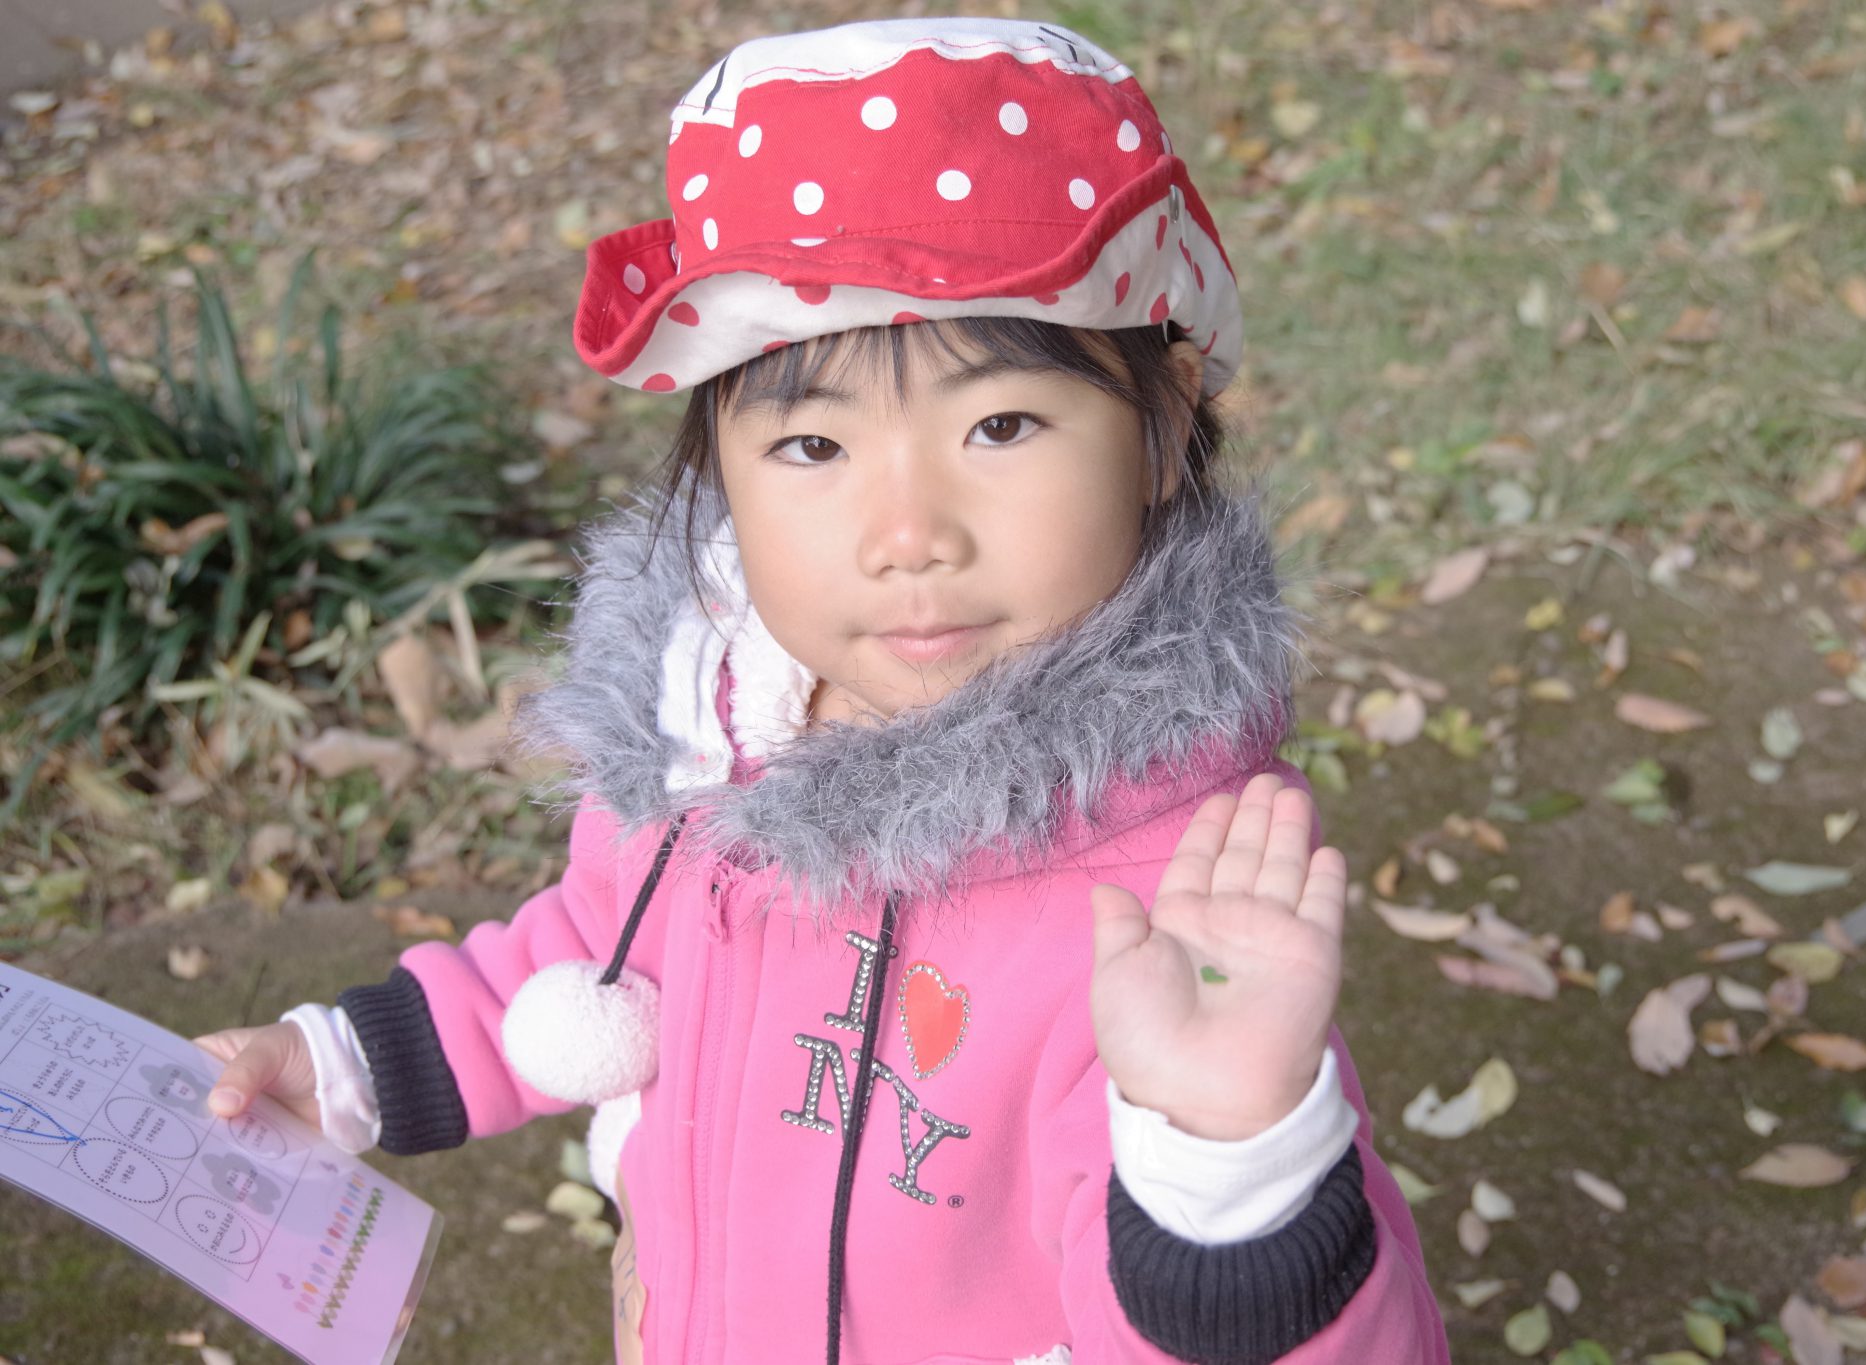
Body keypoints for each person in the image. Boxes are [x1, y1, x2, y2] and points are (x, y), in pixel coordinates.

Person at [195, 18, 1450, 1364]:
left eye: (1001, 425)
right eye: (811, 444)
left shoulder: (1169, 909)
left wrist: (1231, 1160)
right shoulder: (713, 732)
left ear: (1162, 424)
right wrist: (346, 1064)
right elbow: (599, 949)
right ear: (717, 469)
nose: (906, 534)